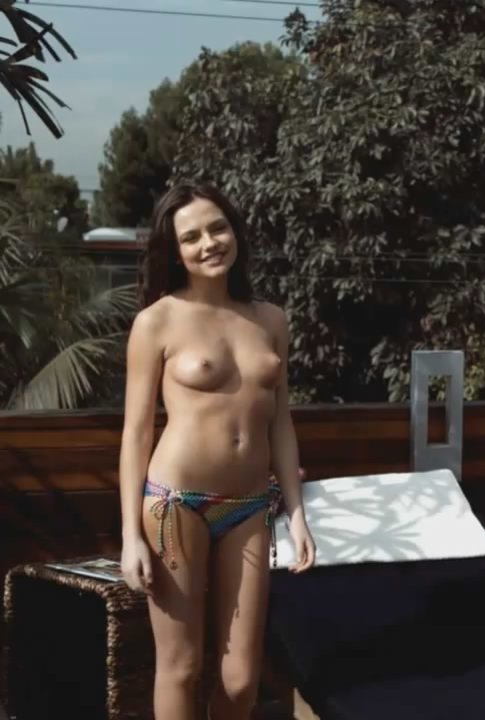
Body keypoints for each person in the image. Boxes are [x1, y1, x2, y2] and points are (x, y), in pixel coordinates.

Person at [117, 182, 316, 720]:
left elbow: (280, 422)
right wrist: (130, 536)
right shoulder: (156, 322)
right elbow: (136, 434)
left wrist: (297, 514)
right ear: (174, 250)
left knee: (241, 680)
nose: (209, 243)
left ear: (235, 232)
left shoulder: (270, 320)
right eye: (191, 237)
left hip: (250, 507)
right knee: (180, 667)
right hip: (174, 505)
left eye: (218, 228)